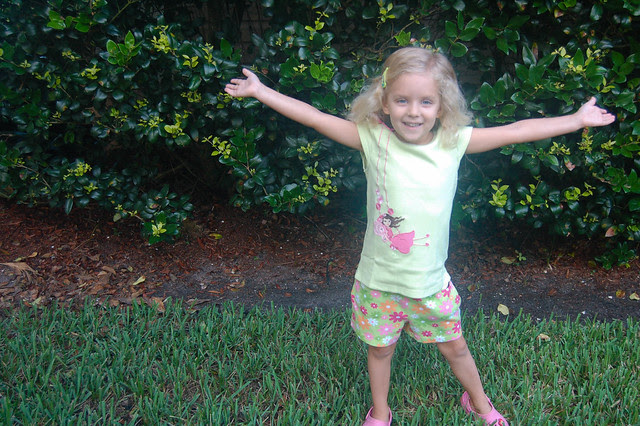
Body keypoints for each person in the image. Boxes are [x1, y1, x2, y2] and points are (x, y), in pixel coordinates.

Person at [224, 47, 615, 425]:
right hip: (378, 282)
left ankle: (479, 403)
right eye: (402, 100)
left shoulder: (453, 142)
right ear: (384, 102)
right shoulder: (373, 138)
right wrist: (260, 91)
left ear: (441, 106)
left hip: (430, 283)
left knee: (456, 347)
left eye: (426, 102)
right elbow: (314, 117)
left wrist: (575, 120)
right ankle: (380, 413)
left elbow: (517, 130)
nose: (413, 111)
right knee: (380, 352)